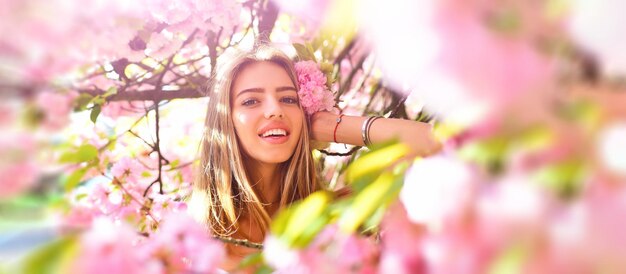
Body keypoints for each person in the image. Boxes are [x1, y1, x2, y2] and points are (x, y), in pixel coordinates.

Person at [188, 43, 441, 270]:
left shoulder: (338, 216)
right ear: (224, 120)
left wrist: (331, 125)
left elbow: (439, 148)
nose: (275, 110)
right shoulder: (196, 244)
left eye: (288, 99)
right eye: (251, 101)